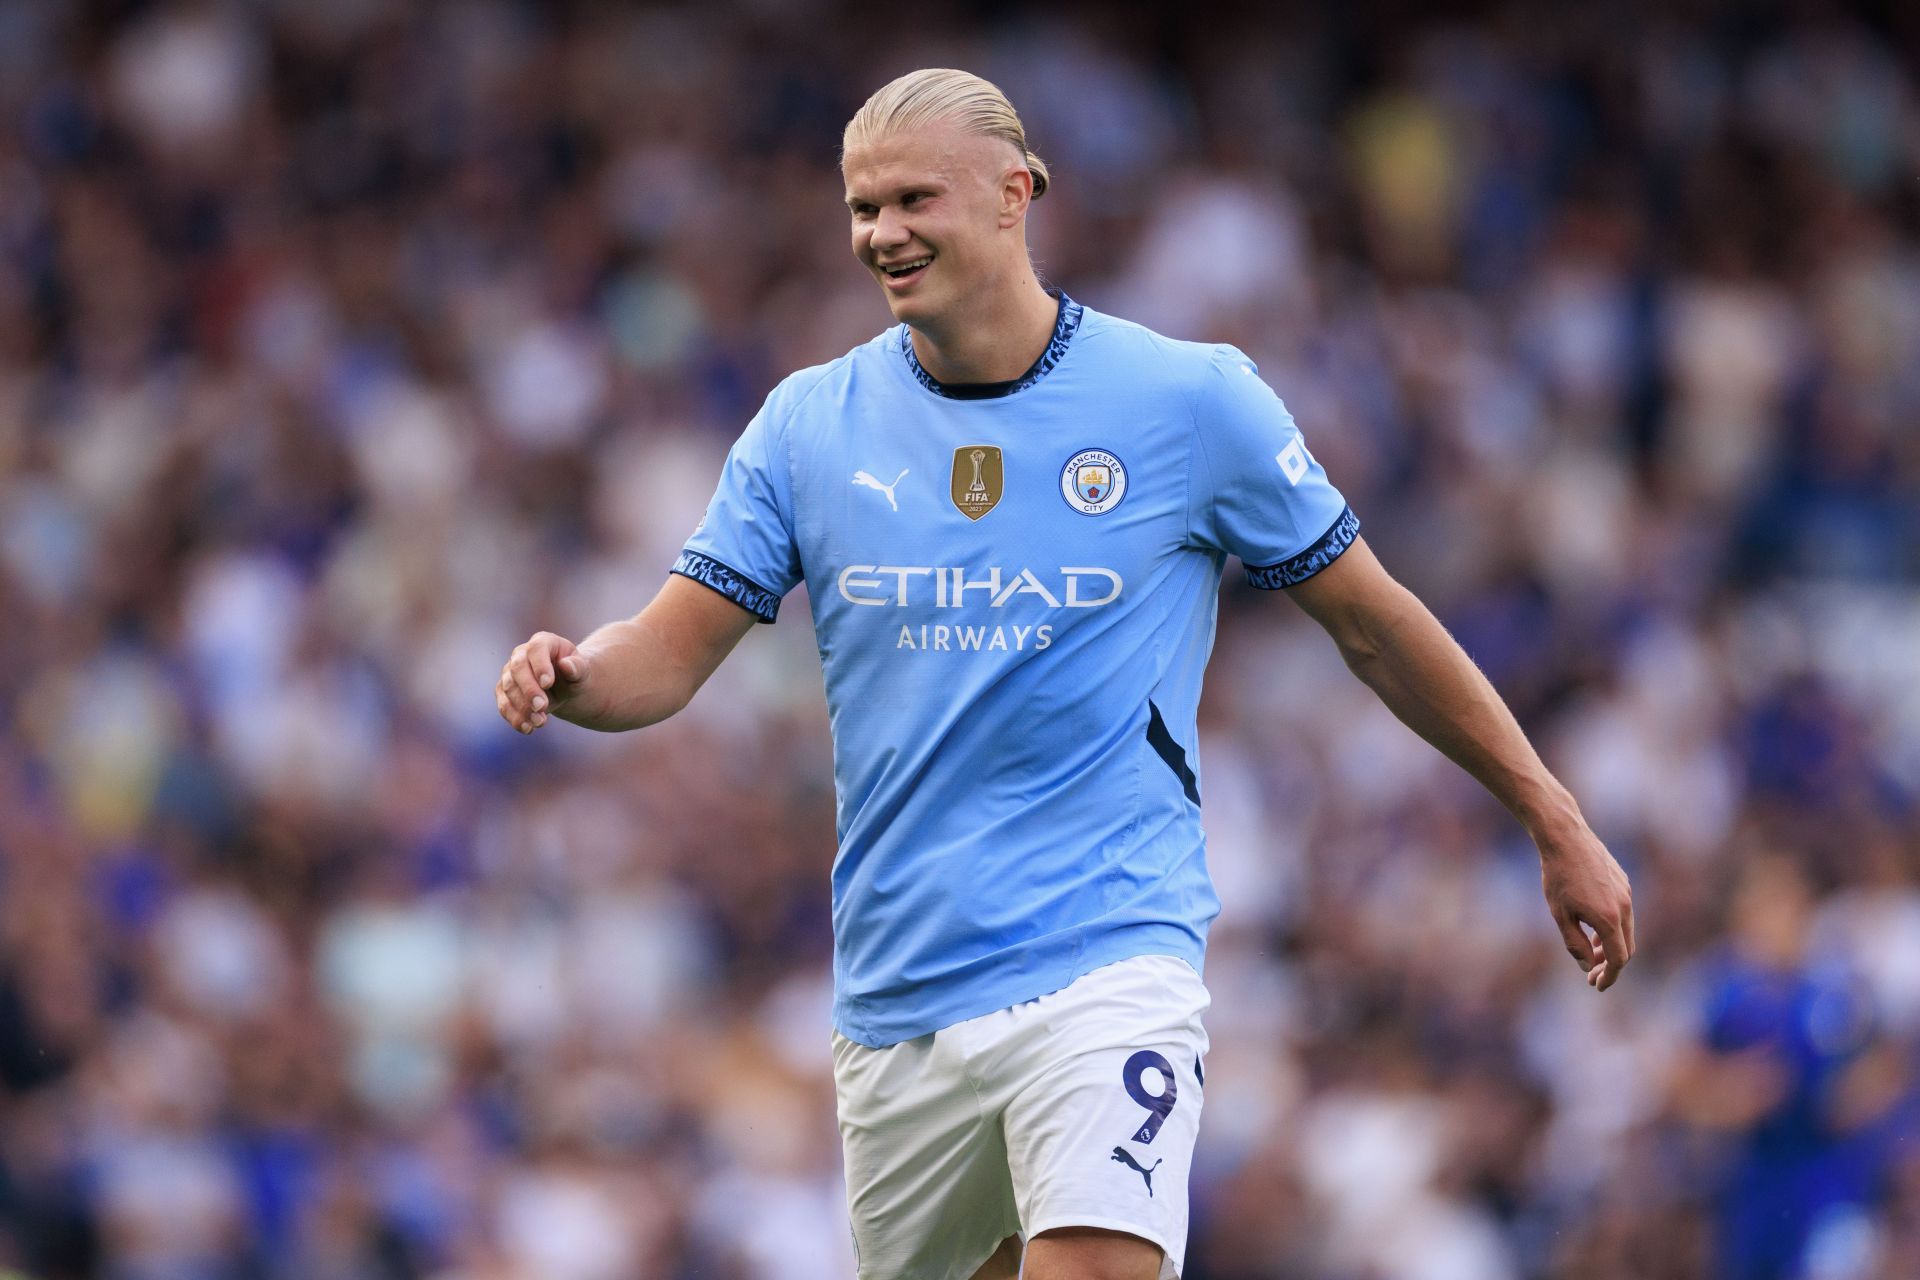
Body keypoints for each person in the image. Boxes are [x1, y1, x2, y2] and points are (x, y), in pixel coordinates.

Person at [495, 68, 1634, 1280]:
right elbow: (664, 656)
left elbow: (1375, 624)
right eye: (862, 207)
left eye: (913, 198)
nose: (883, 234)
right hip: (901, 998)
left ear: (1015, 194)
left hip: (1109, 952)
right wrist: (575, 672)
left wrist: (1550, 813)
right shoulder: (805, 426)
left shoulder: (1188, 401)